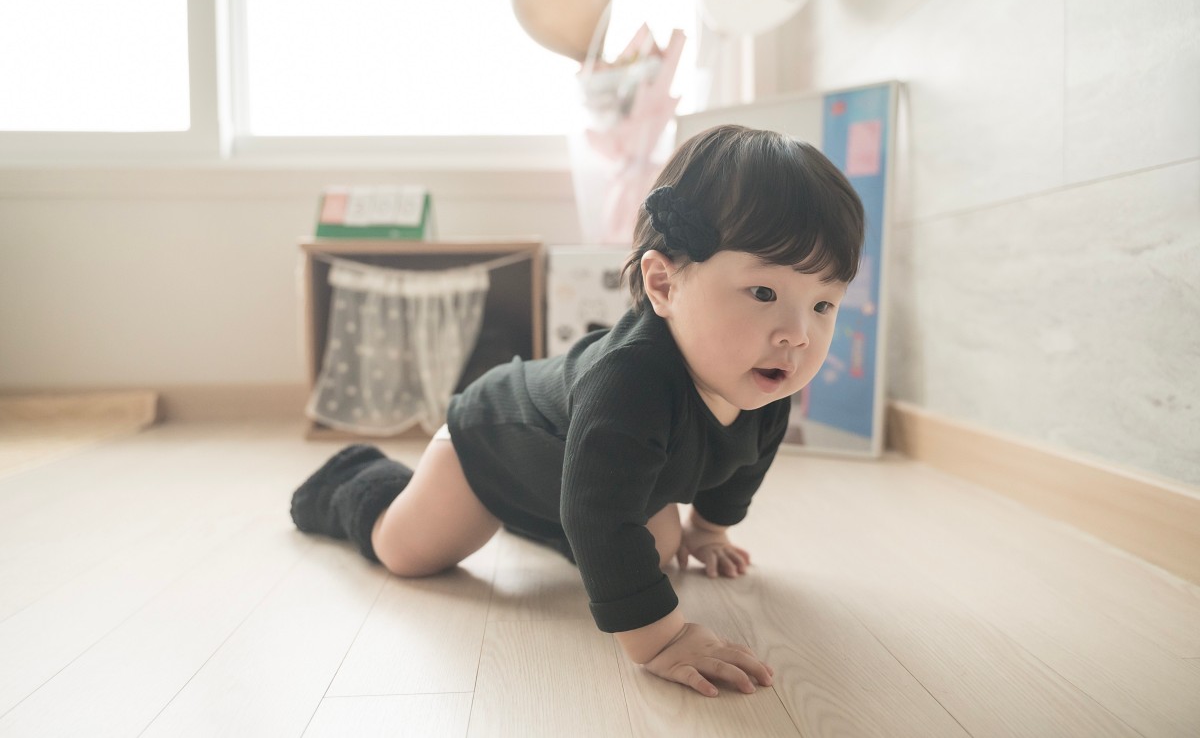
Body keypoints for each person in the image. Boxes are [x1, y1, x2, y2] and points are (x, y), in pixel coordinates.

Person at [290, 124, 865, 697]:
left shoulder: (766, 380)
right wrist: (662, 638)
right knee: (406, 552)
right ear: (664, 285)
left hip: (577, 474)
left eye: (822, 304)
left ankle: (554, 521)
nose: (797, 334)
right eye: (764, 293)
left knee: (661, 546)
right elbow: (598, 515)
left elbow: (744, 464)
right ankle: (356, 478)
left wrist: (709, 530)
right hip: (492, 445)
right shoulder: (628, 384)